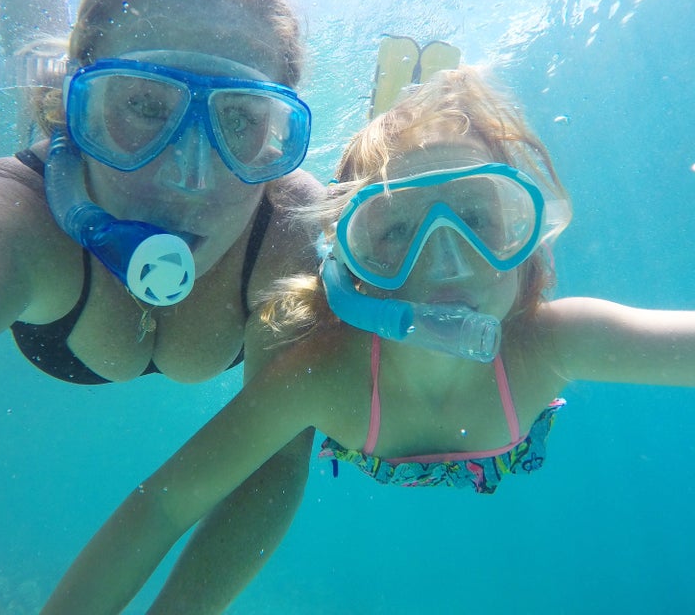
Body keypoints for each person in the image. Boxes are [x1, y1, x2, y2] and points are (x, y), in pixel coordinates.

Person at [40, 65, 695, 612]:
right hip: (359, 400)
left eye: (475, 217)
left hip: (419, 423)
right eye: (394, 232)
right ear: (353, 271)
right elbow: (162, 507)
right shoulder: (325, 376)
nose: (447, 260)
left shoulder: (553, 339)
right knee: (277, 448)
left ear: (525, 241)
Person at [0, 0, 323, 613]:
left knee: (238, 15)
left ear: (278, 135)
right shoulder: (15, 219)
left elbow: (278, 459)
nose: (188, 178)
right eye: (141, 104)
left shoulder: (291, 234)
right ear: (80, 108)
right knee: (38, 66)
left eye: (242, 117)